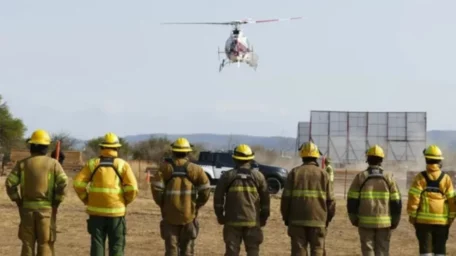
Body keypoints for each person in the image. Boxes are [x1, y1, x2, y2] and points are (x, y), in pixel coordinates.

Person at [5, 129, 68, 256]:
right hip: (46, 211)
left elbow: (10, 184)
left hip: (27, 210)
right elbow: (63, 183)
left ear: (31, 146)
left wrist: (18, 201)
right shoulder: (53, 164)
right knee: (45, 243)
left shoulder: (22, 164)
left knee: (27, 244)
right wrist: (57, 200)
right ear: (46, 147)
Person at [73, 132, 138, 256]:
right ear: (117, 148)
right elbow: (133, 188)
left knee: (97, 244)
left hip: (96, 213)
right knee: (117, 245)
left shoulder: (92, 164)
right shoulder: (122, 165)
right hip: (116, 212)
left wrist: (86, 199)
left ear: (102, 147)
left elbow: (78, 184)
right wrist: (124, 201)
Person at [150, 137, 211, 256]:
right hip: (189, 216)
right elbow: (205, 190)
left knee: (171, 250)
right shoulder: (196, 170)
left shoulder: (164, 169)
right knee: (187, 250)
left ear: (173, 151)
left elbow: (156, 190)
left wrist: (163, 205)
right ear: (188, 152)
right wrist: (197, 205)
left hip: (170, 216)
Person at [213, 144, 270, 256]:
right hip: (252, 221)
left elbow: (218, 198)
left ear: (234, 158)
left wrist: (220, 215)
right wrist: (264, 216)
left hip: (232, 221)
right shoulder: (258, 176)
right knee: (253, 250)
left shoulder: (227, 176)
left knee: (232, 251)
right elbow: (265, 199)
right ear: (250, 159)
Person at [280, 141, 336, 256]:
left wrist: (286, 218)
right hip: (319, 220)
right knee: (318, 250)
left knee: (298, 252)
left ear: (302, 156)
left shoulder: (294, 173)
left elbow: (285, 199)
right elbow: (331, 201)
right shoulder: (323, 174)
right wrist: (327, 219)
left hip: (296, 220)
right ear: (316, 156)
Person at [346, 144, 402, 256]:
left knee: (368, 251)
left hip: (365, 222)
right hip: (384, 223)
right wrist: (395, 221)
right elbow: (396, 202)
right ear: (381, 160)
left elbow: (351, 201)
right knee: (382, 250)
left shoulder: (360, 177)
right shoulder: (389, 177)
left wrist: (354, 219)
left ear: (368, 159)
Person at [407, 145, 456, 256]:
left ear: (426, 159)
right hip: (442, 223)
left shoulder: (420, 177)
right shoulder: (446, 178)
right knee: (440, 251)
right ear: (439, 161)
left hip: (423, 223)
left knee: (426, 252)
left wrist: (412, 215)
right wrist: (451, 218)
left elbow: (414, 198)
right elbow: (452, 200)